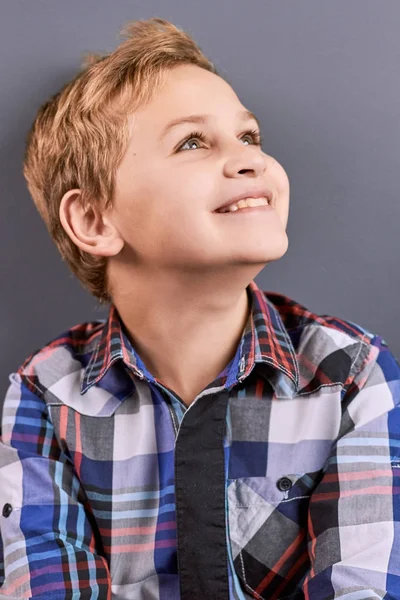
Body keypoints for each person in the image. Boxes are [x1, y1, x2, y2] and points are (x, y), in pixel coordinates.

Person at [0, 16, 399, 600]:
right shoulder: (44, 397)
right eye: (192, 142)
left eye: (250, 137)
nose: (249, 160)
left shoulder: (353, 376)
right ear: (94, 219)